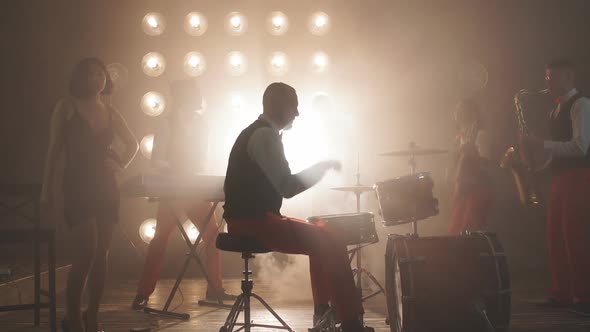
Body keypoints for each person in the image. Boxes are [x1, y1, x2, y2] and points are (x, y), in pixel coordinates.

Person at [223, 82, 372, 332]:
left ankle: (323, 316)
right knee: (331, 240)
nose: (297, 113)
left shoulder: (258, 133)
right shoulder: (264, 136)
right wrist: (321, 168)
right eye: (294, 106)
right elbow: (287, 187)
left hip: (252, 219)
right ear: (279, 106)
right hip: (255, 222)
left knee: (324, 237)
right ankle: (350, 323)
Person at [41, 57, 139, 332]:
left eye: (101, 74)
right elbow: (53, 152)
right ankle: (72, 317)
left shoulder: (110, 110)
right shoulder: (66, 107)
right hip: (77, 186)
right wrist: (45, 192)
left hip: (106, 187)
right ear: (79, 78)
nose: (97, 79)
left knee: (102, 254)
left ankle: (92, 315)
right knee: (86, 252)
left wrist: (118, 163)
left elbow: (133, 143)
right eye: (91, 74)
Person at [132, 79, 235, 310]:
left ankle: (215, 289)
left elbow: (202, 156)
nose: (198, 97)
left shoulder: (201, 125)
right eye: (194, 93)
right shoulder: (167, 124)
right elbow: (156, 159)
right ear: (182, 98)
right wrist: (173, 167)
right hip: (174, 189)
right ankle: (143, 293)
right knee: (160, 239)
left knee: (213, 236)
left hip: (195, 188)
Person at [521, 58, 590, 315]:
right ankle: (561, 293)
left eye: (551, 77)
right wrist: (536, 165)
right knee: (555, 238)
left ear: (568, 76)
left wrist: (543, 144)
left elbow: (581, 147)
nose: (547, 82)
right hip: (561, 179)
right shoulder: (555, 108)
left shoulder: (581, 105)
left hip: (579, 178)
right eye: (546, 77)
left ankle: (583, 296)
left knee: (575, 238)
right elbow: (557, 151)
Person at [447, 99, 494, 235]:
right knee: (454, 233)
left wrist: (470, 153)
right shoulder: (459, 137)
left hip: (477, 190)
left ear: (471, 113)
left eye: (461, 109)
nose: (456, 112)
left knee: (467, 233)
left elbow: (487, 163)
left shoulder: (480, 134)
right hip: (463, 191)